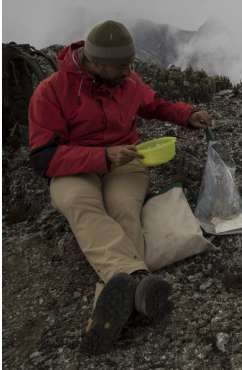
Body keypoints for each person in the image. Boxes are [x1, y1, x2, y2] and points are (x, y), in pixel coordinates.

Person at [27, 20, 213, 354]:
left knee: (124, 210)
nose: (130, 71)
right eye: (122, 66)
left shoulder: (127, 80)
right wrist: (100, 156)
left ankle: (113, 304)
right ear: (96, 63)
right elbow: (44, 157)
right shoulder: (51, 91)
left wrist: (188, 114)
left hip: (126, 160)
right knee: (82, 206)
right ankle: (140, 282)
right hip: (74, 167)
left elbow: (154, 104)